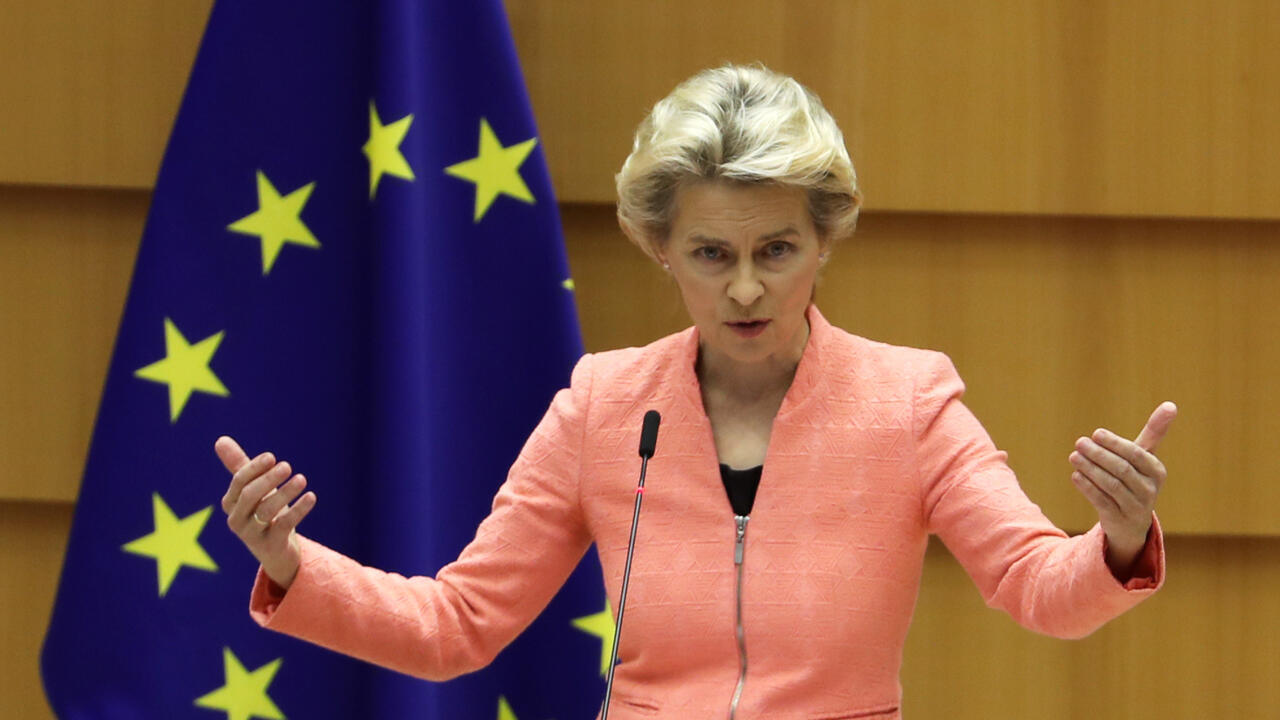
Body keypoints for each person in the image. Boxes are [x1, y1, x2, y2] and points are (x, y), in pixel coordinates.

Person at [216, 64, 1176, 719]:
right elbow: (455, 626)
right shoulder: (601, 404)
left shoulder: (909, 403)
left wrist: (1117, 541)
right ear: (660, 250)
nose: (747, 287)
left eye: (777, 250)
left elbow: (1039, 590)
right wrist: (294, 563)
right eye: (713, 254)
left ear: (823, 243)